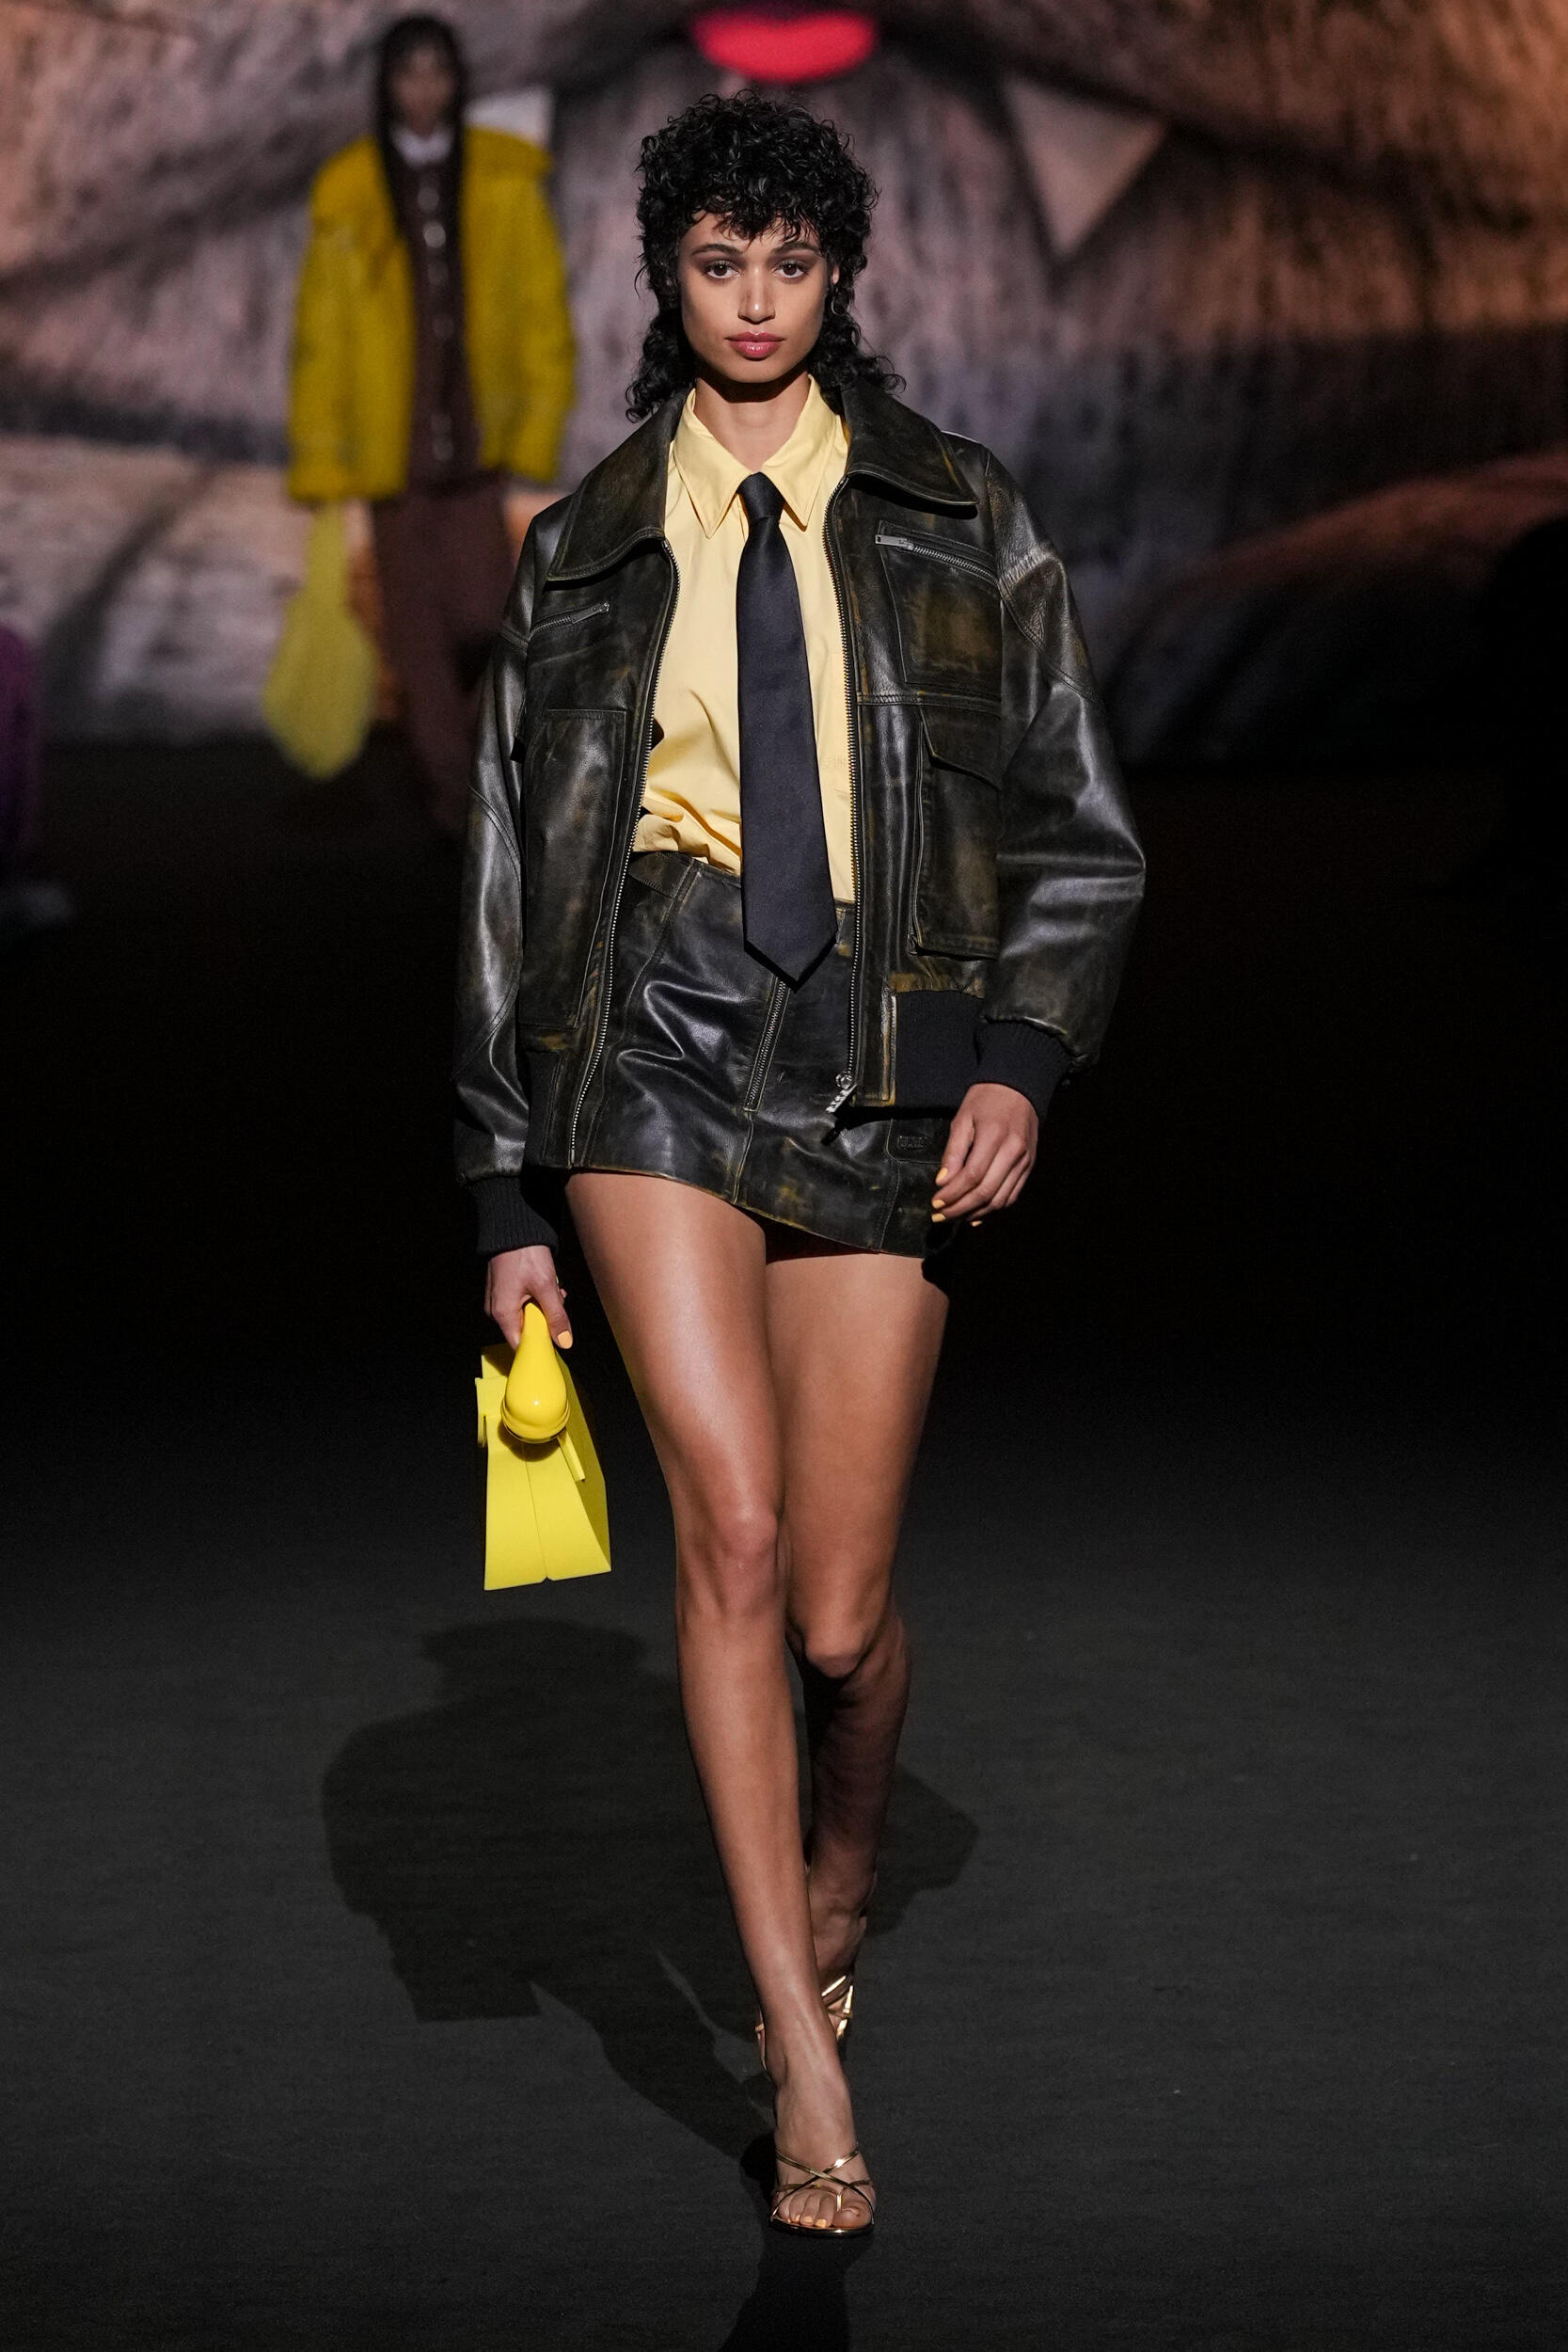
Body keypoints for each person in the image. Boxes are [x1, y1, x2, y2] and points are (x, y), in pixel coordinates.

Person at [454, 91, 1144, 2233]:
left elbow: (1077, 825)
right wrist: (504, 1188)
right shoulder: (581, 548)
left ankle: (844, 1864)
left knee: (840, 1622)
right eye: (714, 263)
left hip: (884, 1046)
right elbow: (503, 884)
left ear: (837, 277)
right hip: (648, 1034)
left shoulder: (958, 513)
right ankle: (798, 2035)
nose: (752, 301)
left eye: (787, 263)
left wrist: (1022, 1057)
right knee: (731, 1538)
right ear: (665, 280)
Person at [287, 14, 574, 834]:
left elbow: (540, 310)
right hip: (392, 453)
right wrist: (323, 453)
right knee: (414, 636)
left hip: (474, 444)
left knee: (486, 616)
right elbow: (321, 334)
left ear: (457, 82)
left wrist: (535, 419)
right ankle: (456, 795)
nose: (423, 89)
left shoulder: (500, 181)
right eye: (407, 73)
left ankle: (477, 773)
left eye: (436, 72)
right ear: (386, 86)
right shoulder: (352, 192)